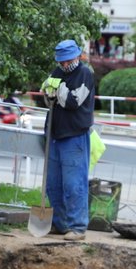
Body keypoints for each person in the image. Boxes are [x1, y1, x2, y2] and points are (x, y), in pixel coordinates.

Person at [40, 39, 96, 241]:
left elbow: (73, 102)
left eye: (67, 60)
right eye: (61, 61)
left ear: (77, 56)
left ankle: (77, 227)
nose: (64, 65)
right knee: (53, 184)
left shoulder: (85, 74)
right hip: (54, 135)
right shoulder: (56, 73)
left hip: (74, 136)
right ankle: (60, 224)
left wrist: (58, 90)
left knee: (74, 184)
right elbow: (46, 98)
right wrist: (49, 93)